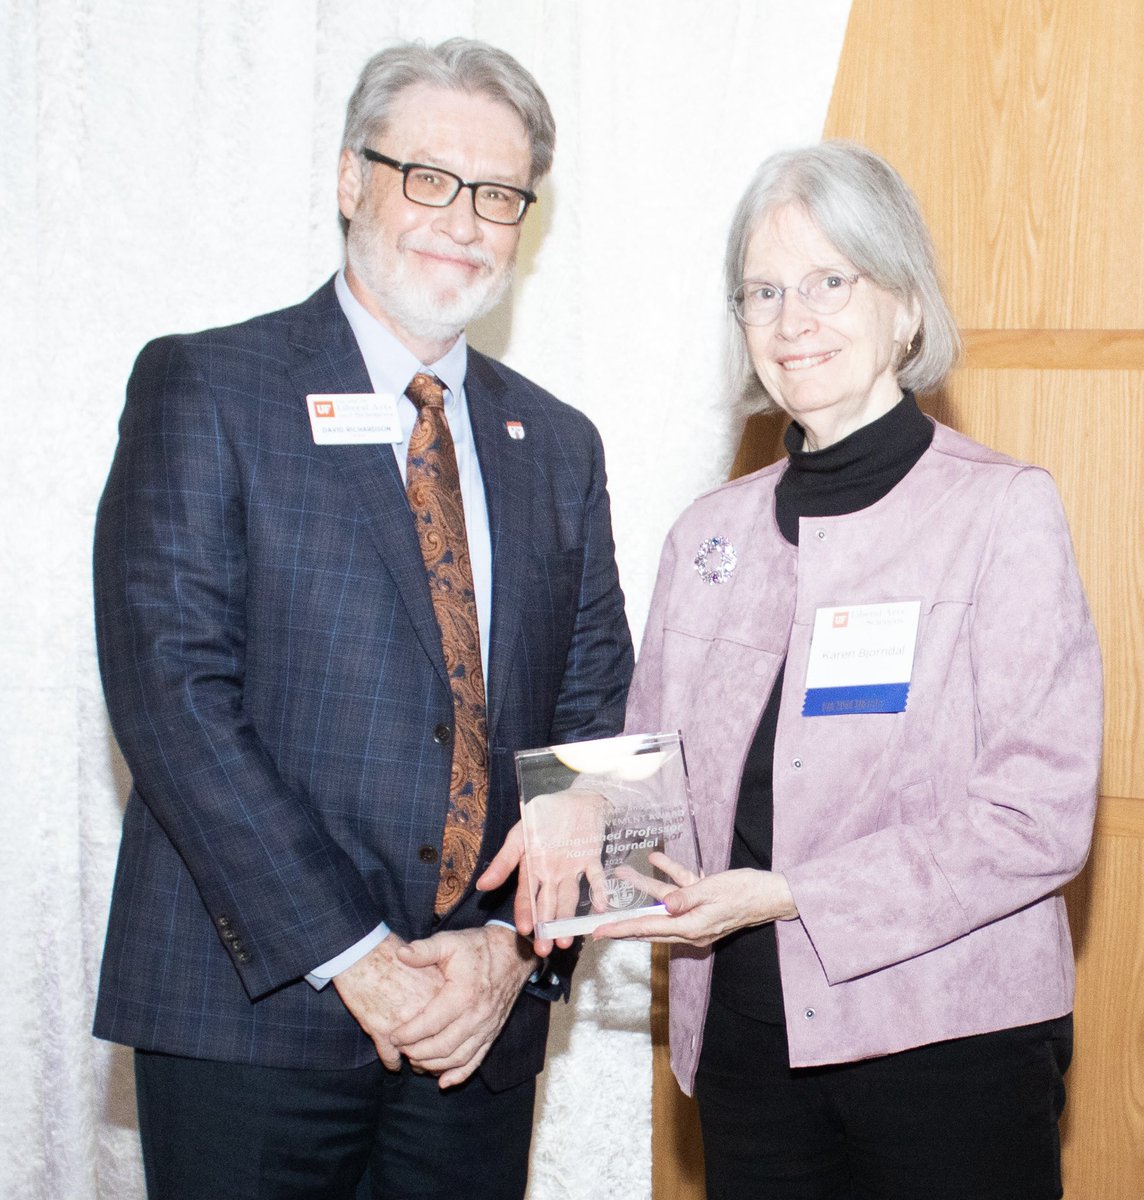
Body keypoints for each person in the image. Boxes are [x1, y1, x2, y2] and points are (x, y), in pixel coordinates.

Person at [493, 140, 1102, 1199]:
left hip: (948, 1049)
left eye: (831, 281)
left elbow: (1037, 815)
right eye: (762, 291)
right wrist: (571, 832)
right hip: (746, 1048)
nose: (793, 320)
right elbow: (652, 783)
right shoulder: (707, 534)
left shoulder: (1002, 511)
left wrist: (790, 893)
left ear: (905, 308)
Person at [93, 37, 632, 1200]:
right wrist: (360, 960)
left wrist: (510, 953)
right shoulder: (205, 387)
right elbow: (171, 699)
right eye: (427, 177)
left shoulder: (560, 444)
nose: (464, 220)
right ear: (351, 180)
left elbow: (593, 725)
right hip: (255, 1011)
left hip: (476, 1030)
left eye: (498, 194)